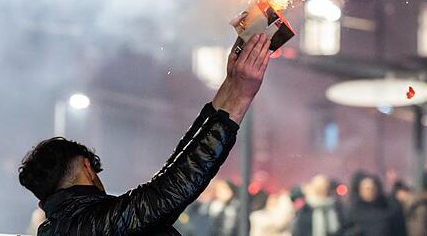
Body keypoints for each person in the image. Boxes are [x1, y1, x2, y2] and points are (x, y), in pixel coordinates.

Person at [18, 34, 273, 236]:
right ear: (88, 167)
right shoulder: (97, 225)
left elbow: (170, 175)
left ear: (43, 203)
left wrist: (229, 88)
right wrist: (240, 97)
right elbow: (173, 186)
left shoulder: (57, 228)